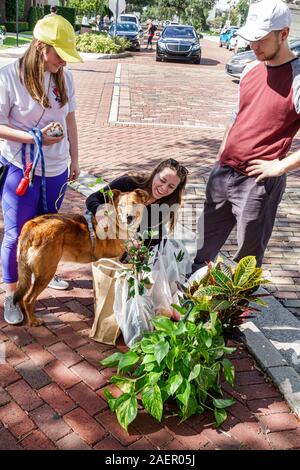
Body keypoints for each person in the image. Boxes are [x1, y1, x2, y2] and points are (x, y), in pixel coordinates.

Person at [192, 0, 299, 273]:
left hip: (258, 183)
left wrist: (279, 167)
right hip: (223, 174)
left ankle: (237, 313)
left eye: (261, 40)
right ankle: (190, 305)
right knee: (203, 249)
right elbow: (236, 118)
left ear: (283, 34)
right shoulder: (250, 69)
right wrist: (220, 158)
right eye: (251, 39)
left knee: (246, 262)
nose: (254, 46)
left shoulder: (297, 79)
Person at [0, 14, 83, 325]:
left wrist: (75, 157)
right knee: (17, 235)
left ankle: (45, 272)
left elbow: (70, 119)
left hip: (57, 169)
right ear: (40, 47)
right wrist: (35, 138)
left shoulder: (65, 77)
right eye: (59, 55)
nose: (62, 62)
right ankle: (14, 294)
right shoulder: (8, 77)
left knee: (50, 232)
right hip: (21, 169)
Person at [86, 158, 188, 248]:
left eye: (171, 186)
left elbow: (152, 236)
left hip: (128, 236)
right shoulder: (127, 183)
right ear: (155, 174)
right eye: (162, 180)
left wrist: (142, 247)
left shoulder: (165, 206)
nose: (164, 188)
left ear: (175, 189)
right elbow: (92, 198)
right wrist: (101, 211)